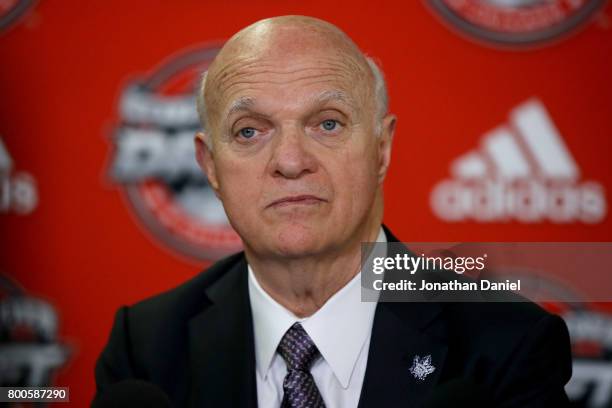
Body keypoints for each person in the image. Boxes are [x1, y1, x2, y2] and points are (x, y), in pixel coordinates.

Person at [94, 15, 572, 407]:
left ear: (381, 149)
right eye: (248, 131)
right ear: (210, 166)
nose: (290, 161)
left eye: (327, 123)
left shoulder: (506, 345)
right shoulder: (147, 349)